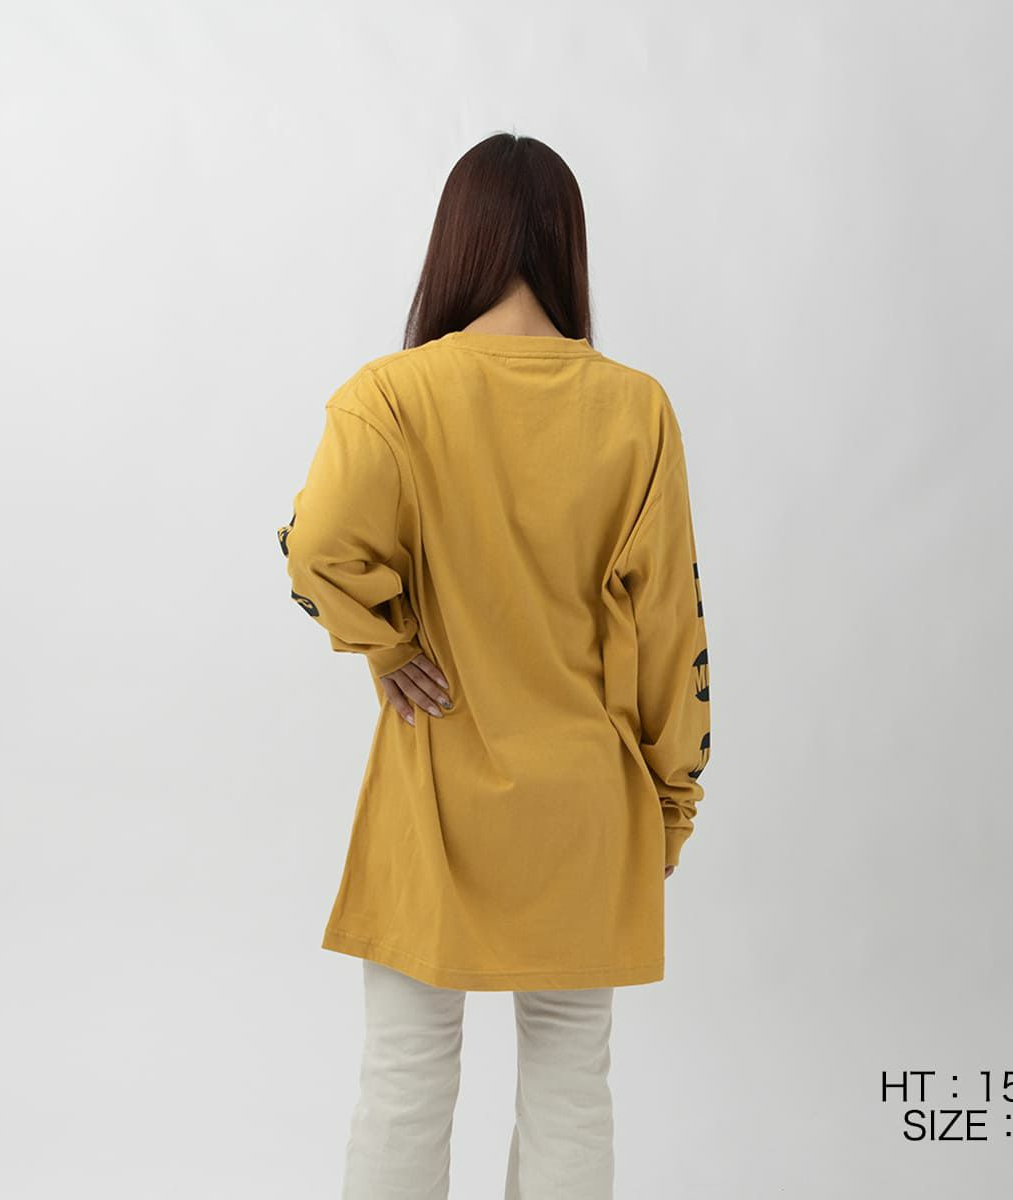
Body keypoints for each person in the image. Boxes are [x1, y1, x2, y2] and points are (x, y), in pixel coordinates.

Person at [276, 132, 712, 1199]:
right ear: (567, 244)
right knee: (571, 1086)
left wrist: (388, 645)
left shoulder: (390, 396)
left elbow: (316, 546)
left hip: (434, 792)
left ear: (457, 241)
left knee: (406, 1076)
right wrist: (670, 805)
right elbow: (671, 627)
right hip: (587, 804)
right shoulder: (636, 408)